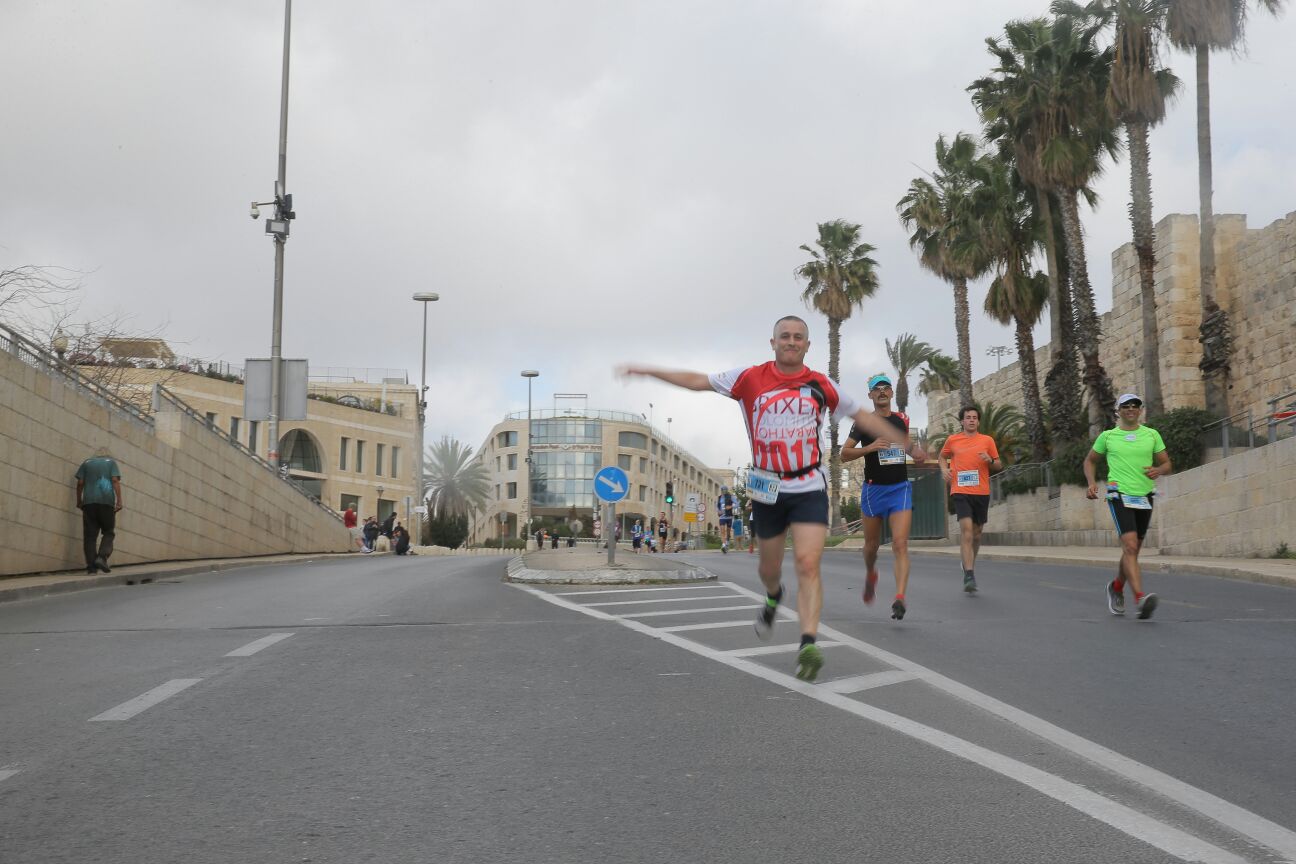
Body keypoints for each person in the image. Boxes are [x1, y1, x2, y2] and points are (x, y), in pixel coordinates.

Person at [620, 315, 901, 682]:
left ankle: (808, 644)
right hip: (767, 487)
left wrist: (908, 444)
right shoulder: (749, 378)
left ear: (807, 345)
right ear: (773, 343)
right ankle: (773, 595)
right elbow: (697, 382)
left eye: (798, 337)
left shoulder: (821, 384)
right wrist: (648, 371)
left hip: (808, 485)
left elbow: (862, 415)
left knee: (807, 562)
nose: (791, 341)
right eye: (784, 336)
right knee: (769, 570)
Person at [841, 373, 924, 620]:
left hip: (899, 488)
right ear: (870, 395)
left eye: (886, 388)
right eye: (876, 389)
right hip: (873, 490)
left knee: (900, 544)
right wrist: (870, 447)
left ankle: (899, 598)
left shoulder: (901, 420)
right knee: (871, 547)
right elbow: (844, 453)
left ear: (891, 393)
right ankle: (870, 574)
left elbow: (905, 444)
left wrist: (915, 451)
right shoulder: (863, 423)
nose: (882, 392)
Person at [1084, 393, 1172, 620]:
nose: (1131, 409)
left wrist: (1159, 470)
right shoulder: (1108, 436)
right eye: (1126, 406)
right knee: (1130, 547)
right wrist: (1092, 483)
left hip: (1144, 496)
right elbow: (1090, 460)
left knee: (1132, 550)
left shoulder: (1151, 434)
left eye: (1135, 405)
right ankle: (1140, 599)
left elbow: (1167, 463)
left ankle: (1116, 587)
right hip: (1119, 494)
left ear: (1140, 410)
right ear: (1118, 410)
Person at [938, 405, 1001, 593]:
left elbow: (998, 464)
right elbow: (942, 457)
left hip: (981, 492)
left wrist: (989, 460)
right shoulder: (953, 440)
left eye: (974, 417)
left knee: (977, 534)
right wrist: (944, 470)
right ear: (962, 421)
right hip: (960, 491)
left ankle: (968, 563)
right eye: (968, 417)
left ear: (978, 421)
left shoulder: (987, 440)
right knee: (966, 531)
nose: (971, 420)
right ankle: (969, 574)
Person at [75, 451, 122, 575]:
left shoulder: (86, 463)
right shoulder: (111, 463)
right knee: (108, 532)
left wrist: (79, 500)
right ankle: (101, 557)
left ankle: (91, 568)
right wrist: (119, 501)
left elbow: (80, 483)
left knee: (90, 536)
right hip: (106, 502)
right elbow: (115, 480)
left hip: (89, 503)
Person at [716, 487, 737, 552]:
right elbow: (717, 506)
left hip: (729, 517)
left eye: (725, 490)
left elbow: (737, 504)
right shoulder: (719, 497)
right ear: (721, 491)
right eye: (722, 490)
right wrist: (718, 511)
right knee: (722, 531)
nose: (724, 491)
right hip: (722, 517)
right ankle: (724, 545)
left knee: (728, 531)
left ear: (726, 491)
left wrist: (730, 506)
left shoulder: (731, 497)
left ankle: (727, 542)